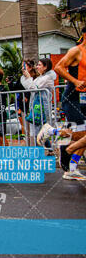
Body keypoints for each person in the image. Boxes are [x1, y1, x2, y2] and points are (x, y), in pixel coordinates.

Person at [38, 29, 86, 180]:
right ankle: (51, 132)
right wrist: (75, 81)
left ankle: (71, 168)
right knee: (82, 135)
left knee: (83, 138)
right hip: (72, 97)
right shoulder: (76, 51)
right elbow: (58, 67)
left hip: (84, 99)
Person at [20, 58, 55, 145]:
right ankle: (48, 149)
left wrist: (28, 77)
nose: (37, 67)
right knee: (39, 131)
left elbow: (34, 88)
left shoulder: (47, 77)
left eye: (39, 65)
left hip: (43, 108)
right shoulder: (40, 77)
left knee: (40, 131)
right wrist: (25, 76)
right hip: (36, 106)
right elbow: (28, 87)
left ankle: (42, 151)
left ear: (45, 67)